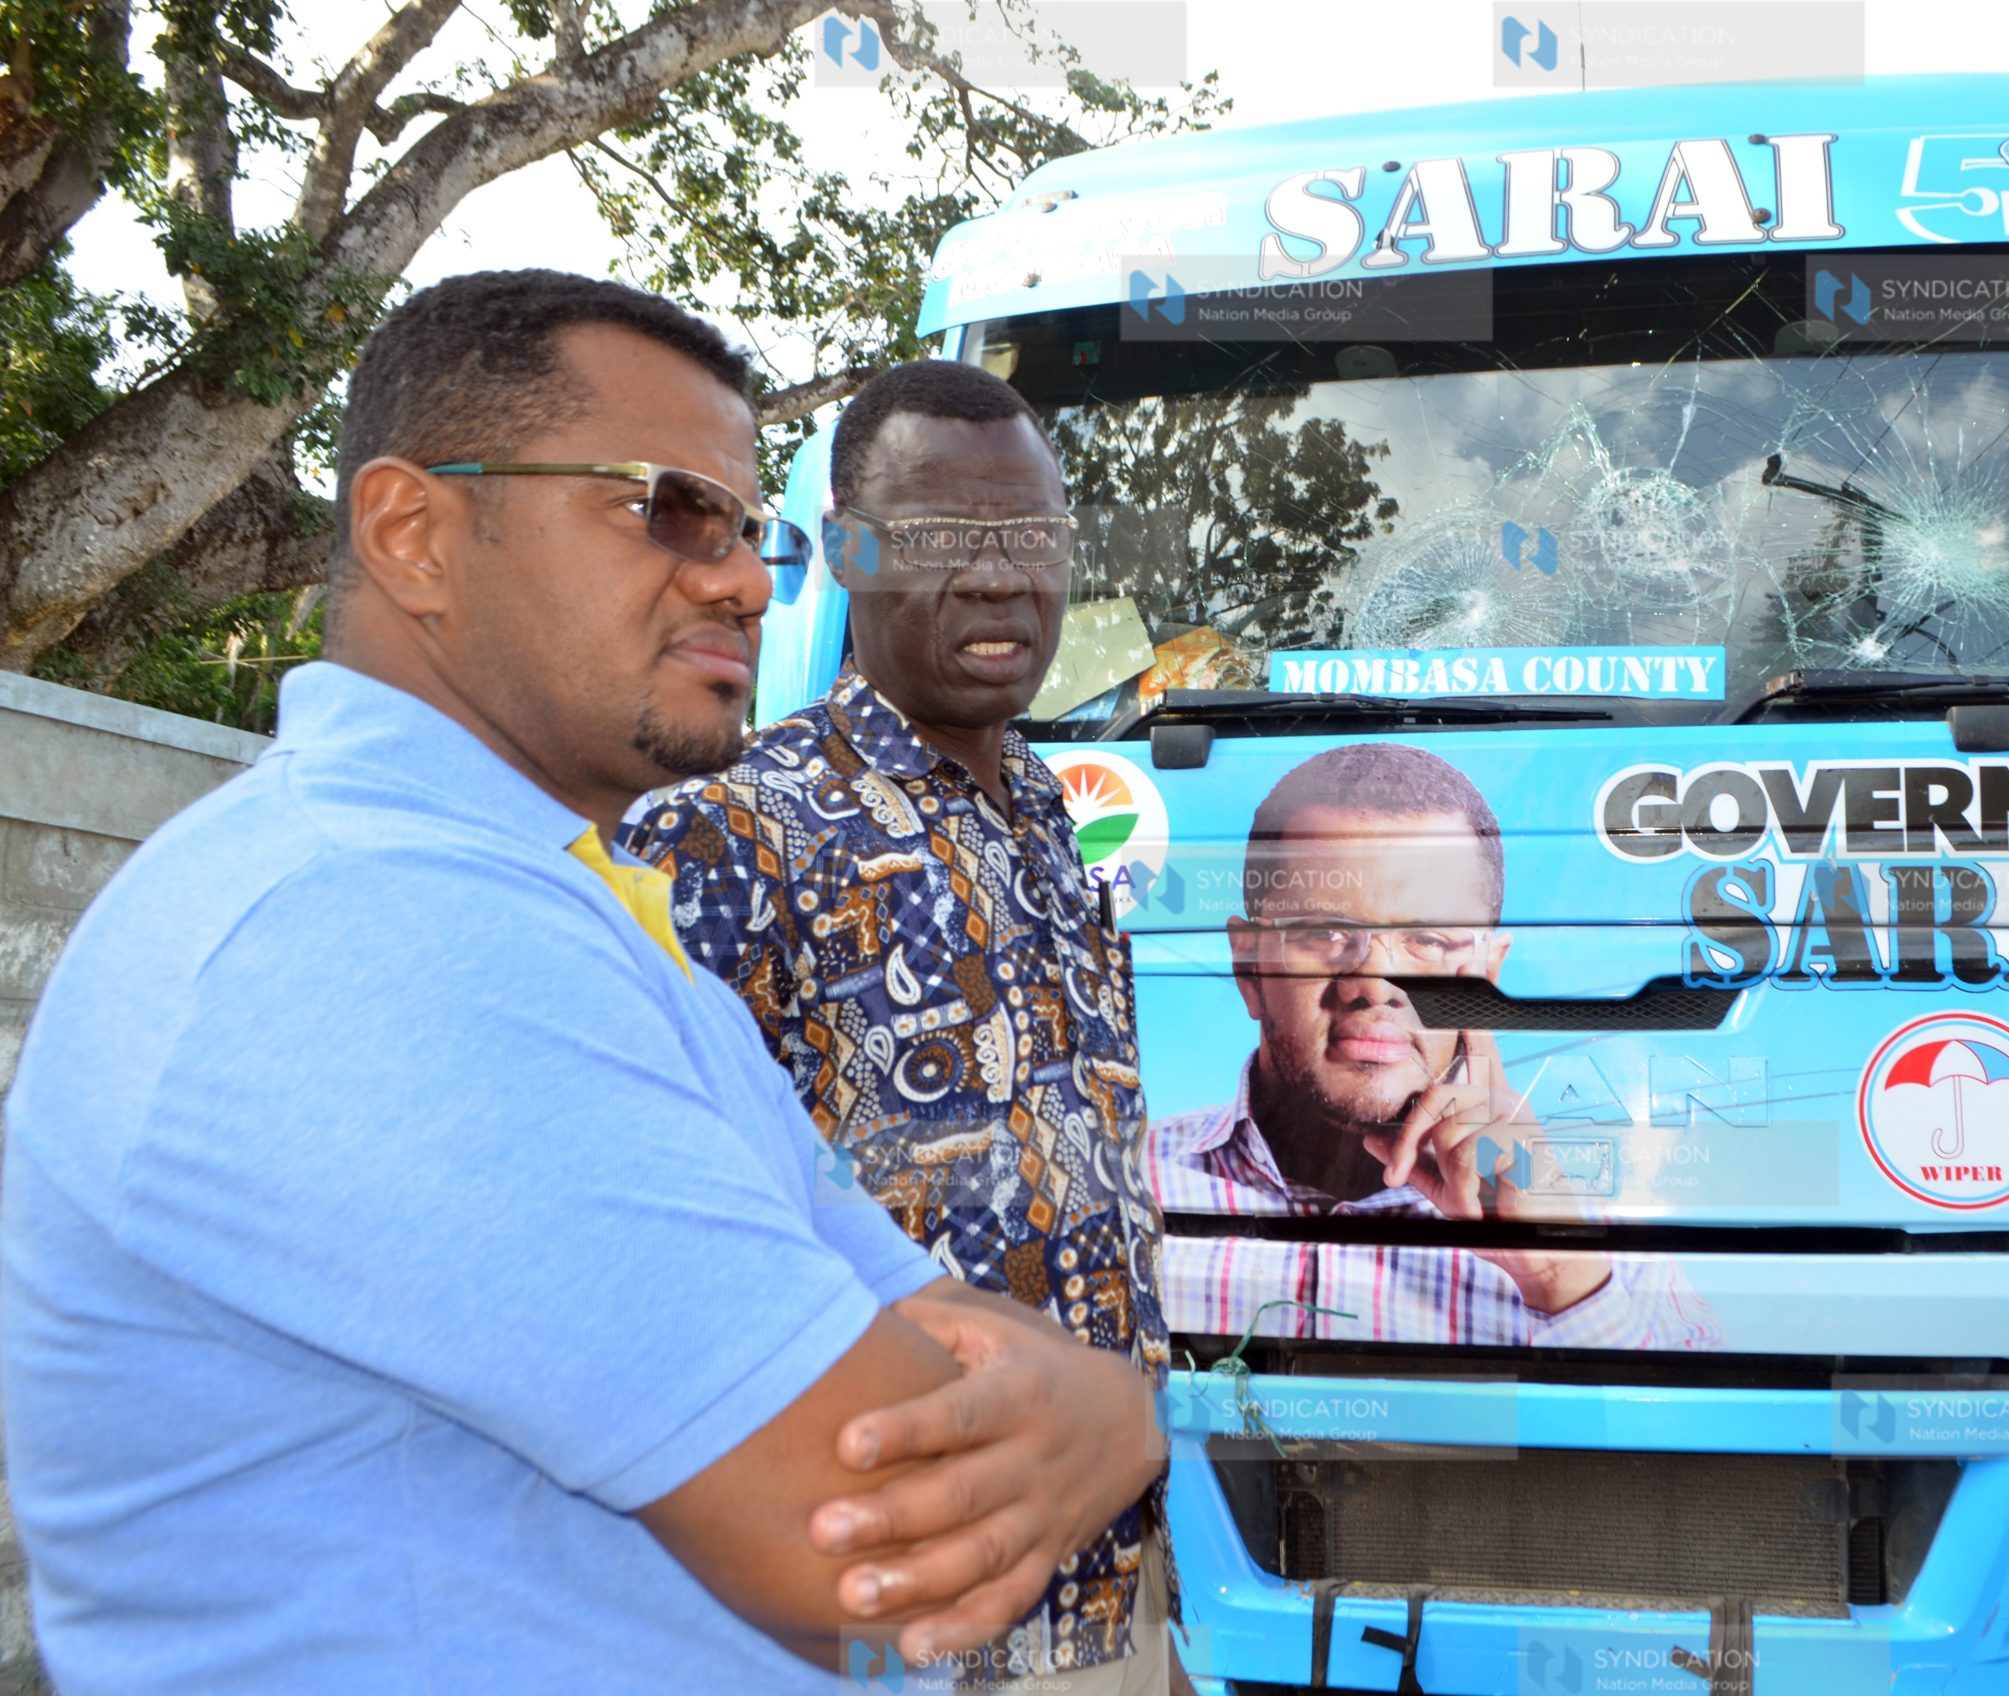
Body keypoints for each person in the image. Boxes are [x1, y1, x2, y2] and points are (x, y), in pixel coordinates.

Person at [0, 272, 1163, 1696]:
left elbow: (886, 1297)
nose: (741, 576)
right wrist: (1105, 1415)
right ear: (413, 533)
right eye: (663, 506)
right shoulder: (362, 927)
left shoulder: (567, 908)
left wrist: (1095, 1408)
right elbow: (861, 1537)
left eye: (747, 526)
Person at [624, 360, 1178, 1693]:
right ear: (855, 554)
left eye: (1030, 537)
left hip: (1101, 1597)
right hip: (880, 1619)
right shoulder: (723, 832)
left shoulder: (1058, 820)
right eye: (940, 538)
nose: (999, 578)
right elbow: (655, 1253)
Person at [1147, 741, 1723, 1350]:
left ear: (1488, 977)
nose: (1375, 983)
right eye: (1325, 932)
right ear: (1249, 965)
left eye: (1426, 939)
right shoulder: (1119, 1187)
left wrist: (1556, 1271)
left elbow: (1691, 1440)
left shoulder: (1607, 1244)